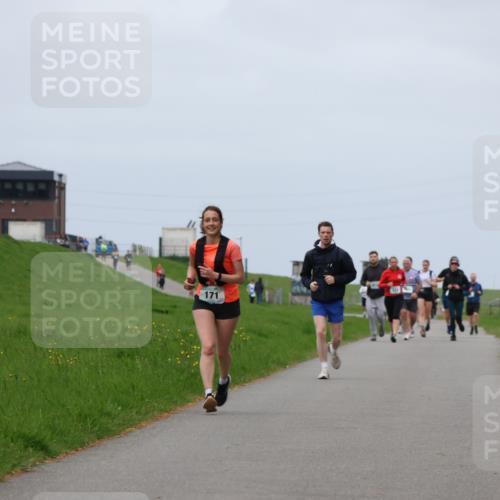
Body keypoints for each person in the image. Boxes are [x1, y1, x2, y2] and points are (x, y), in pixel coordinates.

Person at [183, 206, 244, 413]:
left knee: (222, 351)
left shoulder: (231, 247)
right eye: (207, 220)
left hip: (228, 300)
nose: (211, 223)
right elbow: (192, 266)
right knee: (208, 346)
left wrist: (216, 275)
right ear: (202, 223)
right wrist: (190, 279)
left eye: (215, 220)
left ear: (221, 222)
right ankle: (208, 393)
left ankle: (224, 380)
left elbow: (240, 277)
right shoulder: (195, 246)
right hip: (204, 298)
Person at [300, 221, 357, 380]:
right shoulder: (310, 255)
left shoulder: (341, 254)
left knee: (337, 338)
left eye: (328, 232)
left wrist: (336, 279)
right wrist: (309, 284)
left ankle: (333, 348)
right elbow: (304, 275)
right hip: (318, 300)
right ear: (318, 234)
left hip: (335, 300)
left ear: (332, 234)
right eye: (323, 232)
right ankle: (324, 368)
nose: (325, 235)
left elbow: (352, 274)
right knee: (320, 331)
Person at [437, 257, 470, 341]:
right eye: (452, 264)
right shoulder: (447, 275)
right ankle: (453, 334)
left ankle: (460, 324)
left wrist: (460, 287)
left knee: (458, 316)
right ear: (450, 265)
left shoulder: (461, 274)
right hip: (450, 298)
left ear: (458, 265)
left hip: (459, 298)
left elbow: (467, 285)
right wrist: (447, 286)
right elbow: (444, 287)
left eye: (456, 264)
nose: (454, 265)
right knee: (452, 316)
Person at [360, 250, 387, 341]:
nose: (373, 258)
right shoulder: (367, 270)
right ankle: (373, 334)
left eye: (374, 256)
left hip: (381, 295)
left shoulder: (383, 269)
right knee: (371, 315)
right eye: (371, 257)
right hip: (370, 296)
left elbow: (387, 279)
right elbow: (362, 281)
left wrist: (382, 283)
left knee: (381, 314)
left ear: (377, 258)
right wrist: (366, 283)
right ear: (369, 258)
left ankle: (382, 326)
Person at [379, 257, 406, 343]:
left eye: (395, 262)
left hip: (398, 296)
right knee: (390, 317)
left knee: (395, 314)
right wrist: (387, 284)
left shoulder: (401, 271)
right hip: (388, 296)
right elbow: (380, 284)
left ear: (397, 263)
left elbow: (404, 280)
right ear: (390, 263)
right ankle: (392, 332)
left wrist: (403, 284)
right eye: (392, 262)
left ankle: (395, 334)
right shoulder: (386, 272)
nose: (394, 264)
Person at [400, 257, 421, 341]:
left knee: (413, 316)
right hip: (402, 297)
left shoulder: (415, 273)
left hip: (412, 297)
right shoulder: (399, 272)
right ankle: (407, 332)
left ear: (411, 264)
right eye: (404, 263)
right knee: (403, 312)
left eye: (407, 263)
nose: (405, 265)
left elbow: (419, 284)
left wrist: (415, 292)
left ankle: (410, 328)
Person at [417, 259, 436, 337]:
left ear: (428, 265)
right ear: (422, 265)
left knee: (427, 313)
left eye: (426, 265)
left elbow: (435, 284)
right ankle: (422, 328)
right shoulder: (418, 273)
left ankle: (428, 321)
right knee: (421, 312)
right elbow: (416, 283)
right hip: (421, 292)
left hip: (429, 292)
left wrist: (429, 282)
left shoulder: (431, 273)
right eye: (423, 265)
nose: (425, 266)